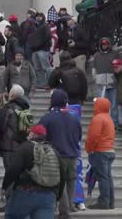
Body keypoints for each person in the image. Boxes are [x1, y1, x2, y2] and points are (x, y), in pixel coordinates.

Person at [2, 125, 63, 219]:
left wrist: (5, 187)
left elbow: (13, 168)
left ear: (33, 134)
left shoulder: (25, 147)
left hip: (25, 193)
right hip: (49, 195)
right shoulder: (54, 151)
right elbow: (62, 174)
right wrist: (57, 196)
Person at [39, 89, 82, 218]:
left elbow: (39, 134)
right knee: (71, 181)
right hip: (73, 155)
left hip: (57, 156)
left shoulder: (48, 118)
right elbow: (79, 136)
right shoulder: (74, 118)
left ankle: (64, 211)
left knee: (60, 183)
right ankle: (70, 205)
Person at [85, 98, 116, 209]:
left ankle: (104, 201)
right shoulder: (109, 118)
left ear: (99, 106)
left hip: (100, 151)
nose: (94, 106)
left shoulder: (98, 118)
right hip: (110, 150)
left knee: (103, 178)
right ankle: (110, 202)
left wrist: (89, 149)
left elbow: (93, 137)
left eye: (95, 104)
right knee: (107, 177)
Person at [0, 84, 30, 169]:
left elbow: (1, 127)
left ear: (12, 95)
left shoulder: (7, 108)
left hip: (8, 146)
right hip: (21, 145)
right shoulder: (25, 108)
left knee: (9, 172)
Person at [93, 38, 120, 127]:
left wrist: (115, 78)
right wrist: (96, 79)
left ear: (109, 44)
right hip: (101, 84)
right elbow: (94, 69)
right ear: (101, 45)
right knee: (101, 105)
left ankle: (114, 123)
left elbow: (118, 67)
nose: (104, 45)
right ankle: (103, 123)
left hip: (112, 83)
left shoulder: (114, 54)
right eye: (103, 44)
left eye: (106, 44)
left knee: (113, 105)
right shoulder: (96, 55)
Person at [29, 12, 52, 88]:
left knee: (46, 67)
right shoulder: (34, 27)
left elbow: (48, 36)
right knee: (37, 68)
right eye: (37, 16)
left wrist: (40, 44)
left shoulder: (45, 26)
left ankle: (50, 82)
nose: (38, 18)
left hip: (43, 49)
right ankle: (42, 83)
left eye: (40, 16)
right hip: (35, 50)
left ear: (43, 17)